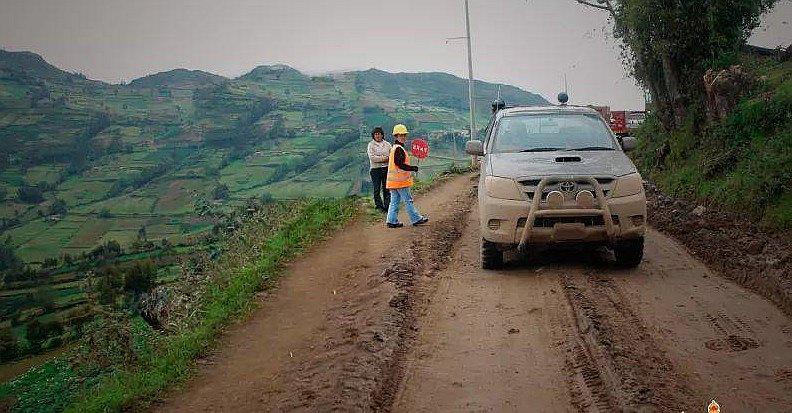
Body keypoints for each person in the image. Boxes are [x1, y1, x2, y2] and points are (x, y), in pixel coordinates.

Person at [385, 124, 429, 228]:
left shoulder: (394, 148)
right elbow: (400, 164)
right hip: (400, 181)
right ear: (396, 136)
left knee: (394, 201)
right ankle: (416, 219)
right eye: (401, 135)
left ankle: (391, 221)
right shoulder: (399, 149)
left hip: (392, 182)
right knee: (408, 200)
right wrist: (412, 168)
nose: (403, 137)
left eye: (404, 135)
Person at [367, 127, 391, 212]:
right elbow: (372, 158)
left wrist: (382, 158)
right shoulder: (371, 145)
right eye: (376, 134)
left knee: (386, 188)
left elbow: (391, 156)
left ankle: (387, 206)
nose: (377, 136)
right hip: (375, 169)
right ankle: (379, 206)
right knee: (376, 188)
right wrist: (385, 158)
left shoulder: (387, 144)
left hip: (386, 168)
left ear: (382, 135)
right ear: (373, 135)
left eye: (379, 134)